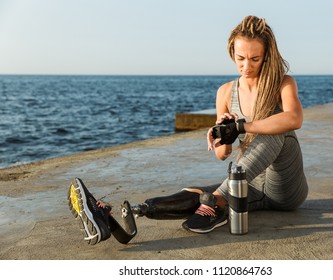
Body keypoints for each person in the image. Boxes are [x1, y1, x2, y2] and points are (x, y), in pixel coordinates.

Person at [67, 15, 308, 244]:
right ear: (231, 52)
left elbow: (294, 119)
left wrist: (243, 125)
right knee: (196, 194)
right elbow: (223, 154)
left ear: (266, 55)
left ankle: (218, 201)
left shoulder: (283, 83)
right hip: (248, 185)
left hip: (285, 188)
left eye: (255, 59)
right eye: (240, 58)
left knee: (279, 126)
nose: (246, 66)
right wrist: (225, 132)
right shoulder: (225, 92)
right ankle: (121, 214)